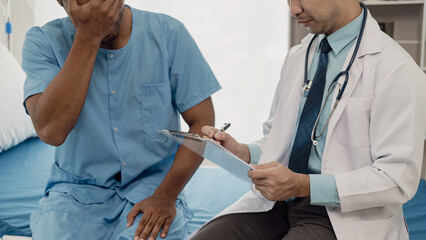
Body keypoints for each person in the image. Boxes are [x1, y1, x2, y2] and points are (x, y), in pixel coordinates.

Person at [191, 0, 426, 239]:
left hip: (343, 216)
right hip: (278, 203)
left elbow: (396, 179)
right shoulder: (299, 56)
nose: (293, 10)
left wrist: (304, 185)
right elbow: (279, 140)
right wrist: (243, 152)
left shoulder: (397, 70)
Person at [22, 0, 221, 239]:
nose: (98, 10)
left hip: (154, 188)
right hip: (74, 195)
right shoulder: (43, 42)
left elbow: (202, 123)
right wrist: (87, 37)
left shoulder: (169, 34)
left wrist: (166, 196)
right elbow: (51, 132)